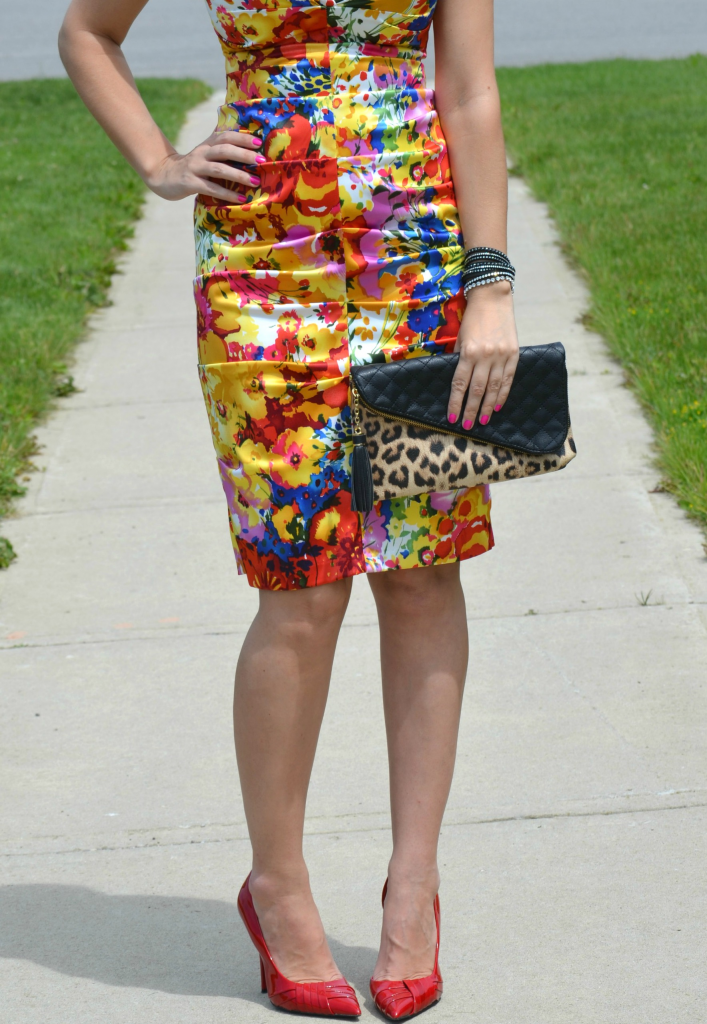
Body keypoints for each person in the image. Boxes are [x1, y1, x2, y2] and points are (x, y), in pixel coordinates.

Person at [59, 0, 519, 1017]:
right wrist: (161, 162)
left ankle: (413, 883)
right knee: (300, 583)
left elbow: (469, 87)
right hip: (263, 270)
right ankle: (277, 886)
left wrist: (488, 283)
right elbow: (87, 31)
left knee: (420, 568)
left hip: (418, 263)